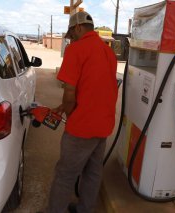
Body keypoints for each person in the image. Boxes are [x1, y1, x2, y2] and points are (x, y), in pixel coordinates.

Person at [46, 11, 118, 213]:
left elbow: (69, 93)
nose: (71, 38)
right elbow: (94, 86)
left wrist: (68, 114)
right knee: (93, 172)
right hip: (104, 125)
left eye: (71, 33)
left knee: (65, 175)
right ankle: (84, 209)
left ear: (78, 27)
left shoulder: (76, 49)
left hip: (82, 127)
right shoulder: (108, 52)